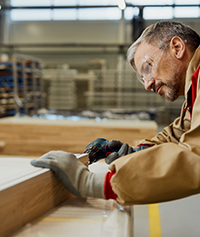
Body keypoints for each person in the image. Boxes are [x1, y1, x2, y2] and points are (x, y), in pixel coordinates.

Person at [31, 20, 200, 206]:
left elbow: (196, 158)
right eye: (142, 78)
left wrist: (90, 183)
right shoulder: (194, 88)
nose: (147, 85)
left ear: (177, 48)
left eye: (147, 68)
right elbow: (180, 133)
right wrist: (137, 152)